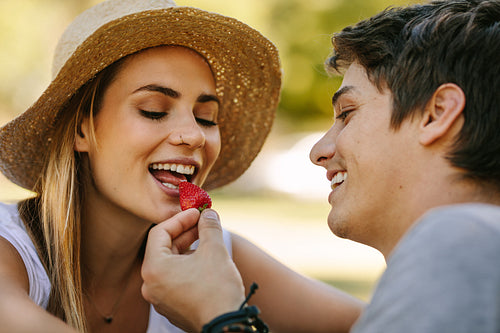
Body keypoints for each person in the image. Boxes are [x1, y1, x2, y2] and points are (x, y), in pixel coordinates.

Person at [0, 0, 365, 332]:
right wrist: (222, 320)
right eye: (154, 110)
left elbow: (384, 323)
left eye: (207, 117)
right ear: (82, 128)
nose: (194, 136)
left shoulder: (216, 261)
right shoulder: (9, 250)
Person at [139, 0, 500, 332]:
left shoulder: (462, 239)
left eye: (347, 113)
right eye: (154, 111)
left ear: (436, 114)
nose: (318, 150)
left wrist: (220, 316)